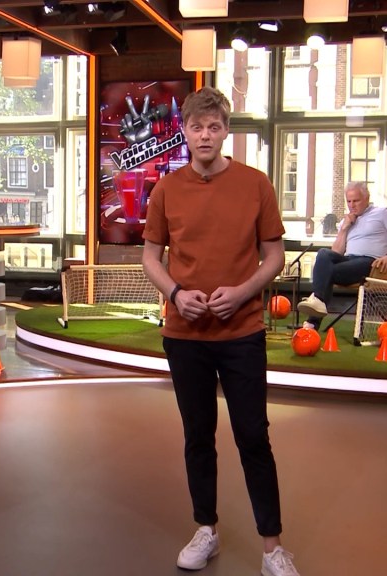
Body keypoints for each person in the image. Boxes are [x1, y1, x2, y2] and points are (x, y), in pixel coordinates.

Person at [142, 87, 301, 576]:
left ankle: (272, 548)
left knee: (253, 436)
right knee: (198, 436)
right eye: (197, 127)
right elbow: (151, 257)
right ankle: (206, 530)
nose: (205, 135)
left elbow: (273, 255)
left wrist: (243, 291)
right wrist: (175, 294)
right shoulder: (166, 190)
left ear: (226, 131)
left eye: (214, 127)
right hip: (185, 336)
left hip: (242, 333)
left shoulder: (256, 184)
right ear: (185, 133)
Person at [297, 182, 387, 330]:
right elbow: (336, 252)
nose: (352, 205)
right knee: (323, 253)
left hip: (370, 263)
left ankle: (313, 320)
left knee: (327, 273)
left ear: (367, 198)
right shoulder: (346, 221)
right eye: (349, 201)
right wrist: (344, 229)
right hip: (348, 260)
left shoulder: (382, 214)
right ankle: (317, 303)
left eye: (356, 201)